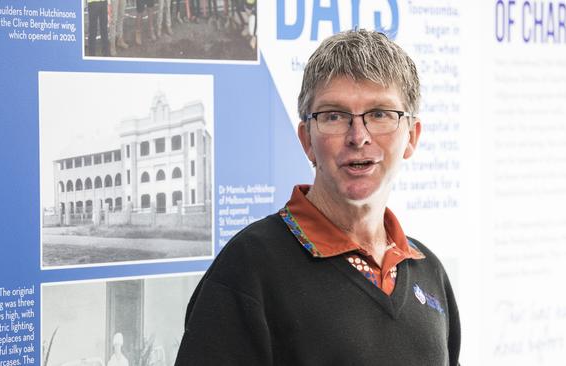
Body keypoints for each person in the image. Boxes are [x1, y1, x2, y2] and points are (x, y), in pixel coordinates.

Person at [174, 29, 461, 365]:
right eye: (334, 116)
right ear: (307, 139)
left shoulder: (429, 273)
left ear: (411, 136)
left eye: (380, 114)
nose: (358, 137)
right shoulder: (248, 269)